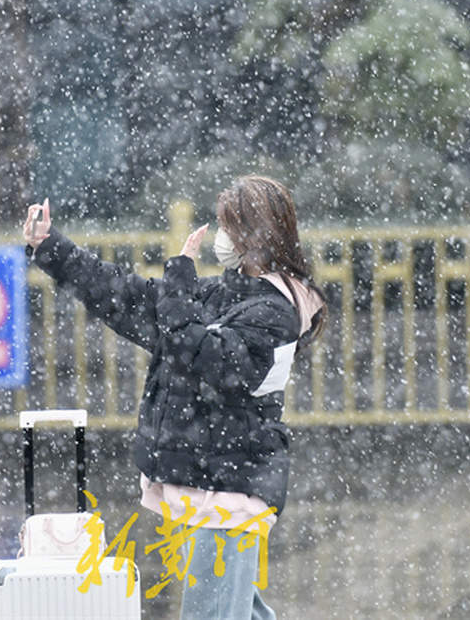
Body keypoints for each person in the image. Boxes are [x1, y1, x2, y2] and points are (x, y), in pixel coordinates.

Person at [23, 175, 325, 619]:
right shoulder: (227, 294)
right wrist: (53, 249)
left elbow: (204, 356)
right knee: (235, 608)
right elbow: (128, 298)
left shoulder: (274, 313)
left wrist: (181, 276)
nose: (222, 238)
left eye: (230, 227)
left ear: (255, 237)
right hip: (214, 484)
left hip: (232, 492)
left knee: (214, 611)